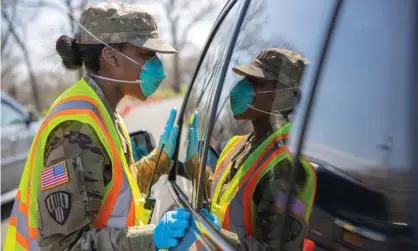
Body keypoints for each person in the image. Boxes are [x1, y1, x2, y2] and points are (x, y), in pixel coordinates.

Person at [4, 2, 195, 251]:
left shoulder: (103, 112)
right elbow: (65, 246)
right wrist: (152, 238)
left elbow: (111, 196)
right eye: (147, 55)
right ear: (111, 56)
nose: (158, 66)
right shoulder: (78, 129)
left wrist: (159, 160)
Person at [185, 48, 317, 251]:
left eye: (255, 82)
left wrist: (212, 233)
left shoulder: (288, 165)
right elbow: (219, 201)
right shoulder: (236, 144)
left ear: (283, 95)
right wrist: (194, 163)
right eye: (245, 79)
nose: (239, 88)